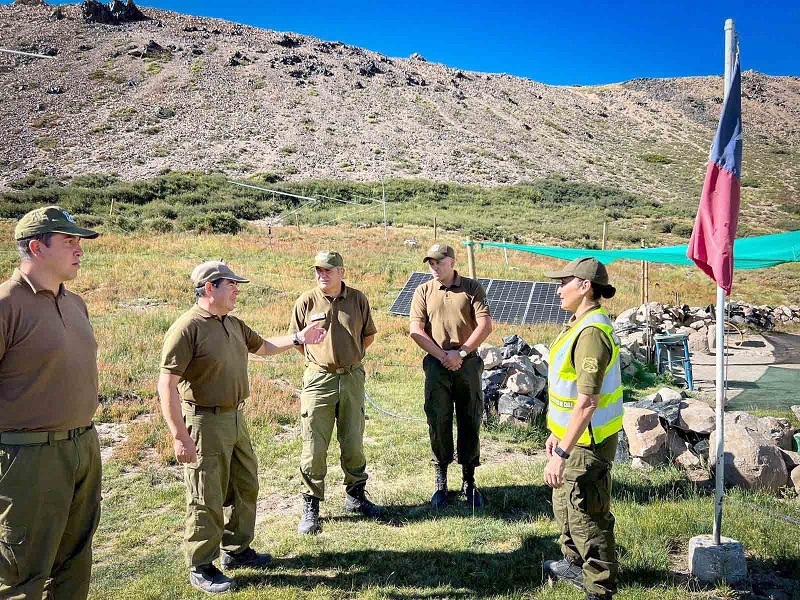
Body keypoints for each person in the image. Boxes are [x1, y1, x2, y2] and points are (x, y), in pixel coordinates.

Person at [158, 260, 325, 594]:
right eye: (231, 285)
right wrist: (179, 435)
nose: (237, 290)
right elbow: (166, 385)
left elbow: (264, 347)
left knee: (246, 483)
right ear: (209, 288)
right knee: (207, 493)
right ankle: (202, 565)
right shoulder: (187, 328)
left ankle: (236, 549)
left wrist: (299, 337)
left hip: (235, 417)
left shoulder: (233, 323)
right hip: (204, 421)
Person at [0, 206, 102, 598]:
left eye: (79, 241)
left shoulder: (76, 303)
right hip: (28, 459)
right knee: (22, 573)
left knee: (75, 562)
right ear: (37, 247)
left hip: (83, 447)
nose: (79, 249)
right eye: (69, 240)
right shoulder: (7, 304)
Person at [541, 257, 623, 600]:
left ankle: (599, 587)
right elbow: (568, 390)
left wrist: (561, 453)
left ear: (585, 286)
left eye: (565, 282)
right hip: (572, 438)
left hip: (587, 443)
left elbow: (588, 401)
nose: (559, 289)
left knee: (587, 513)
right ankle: (574, 565)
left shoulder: (591, 333)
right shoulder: (578, 323)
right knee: (566, 504)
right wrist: (557, 434)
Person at [290, 251, 386, 535]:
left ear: (341, 271)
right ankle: (311, 506)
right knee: (314, 445)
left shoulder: (358, 299)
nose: (322, 274)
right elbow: (298, 341)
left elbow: (367, 335)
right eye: (318, 270)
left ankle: (355, 497)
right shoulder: (306, 301)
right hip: (319, 379)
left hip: (352, 378)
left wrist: (350, 358)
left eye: (328, 270)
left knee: (353, 439)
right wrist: (323, 359)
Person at [409, 243, 492, 508]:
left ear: (452, 262)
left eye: (439, 262)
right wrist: (443, 356)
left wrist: (463, 353)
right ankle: (441, 482)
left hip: (466, 364)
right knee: (438, 418)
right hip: (437, 363)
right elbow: (416, 329)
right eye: (431, 263)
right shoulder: (423, 291)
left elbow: (485, 324)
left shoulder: (472, 288)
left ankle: (469, 481)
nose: (434, 267)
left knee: (470, 417)